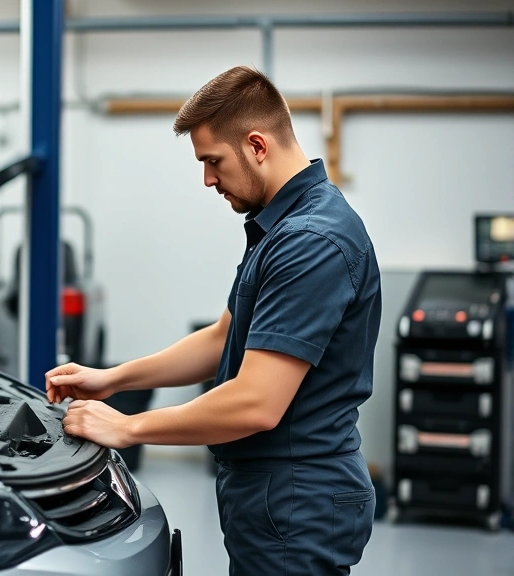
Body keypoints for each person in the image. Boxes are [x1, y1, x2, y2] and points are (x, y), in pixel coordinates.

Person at [46, 66, 382, 575]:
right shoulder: (281, 227)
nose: (207, 179)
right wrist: (111, 380)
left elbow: (257, 403)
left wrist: (130, 427)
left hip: (297, 499)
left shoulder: (311, 241)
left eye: (213, 161)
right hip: (274, 494)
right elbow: (223, 337)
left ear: (257, 145)